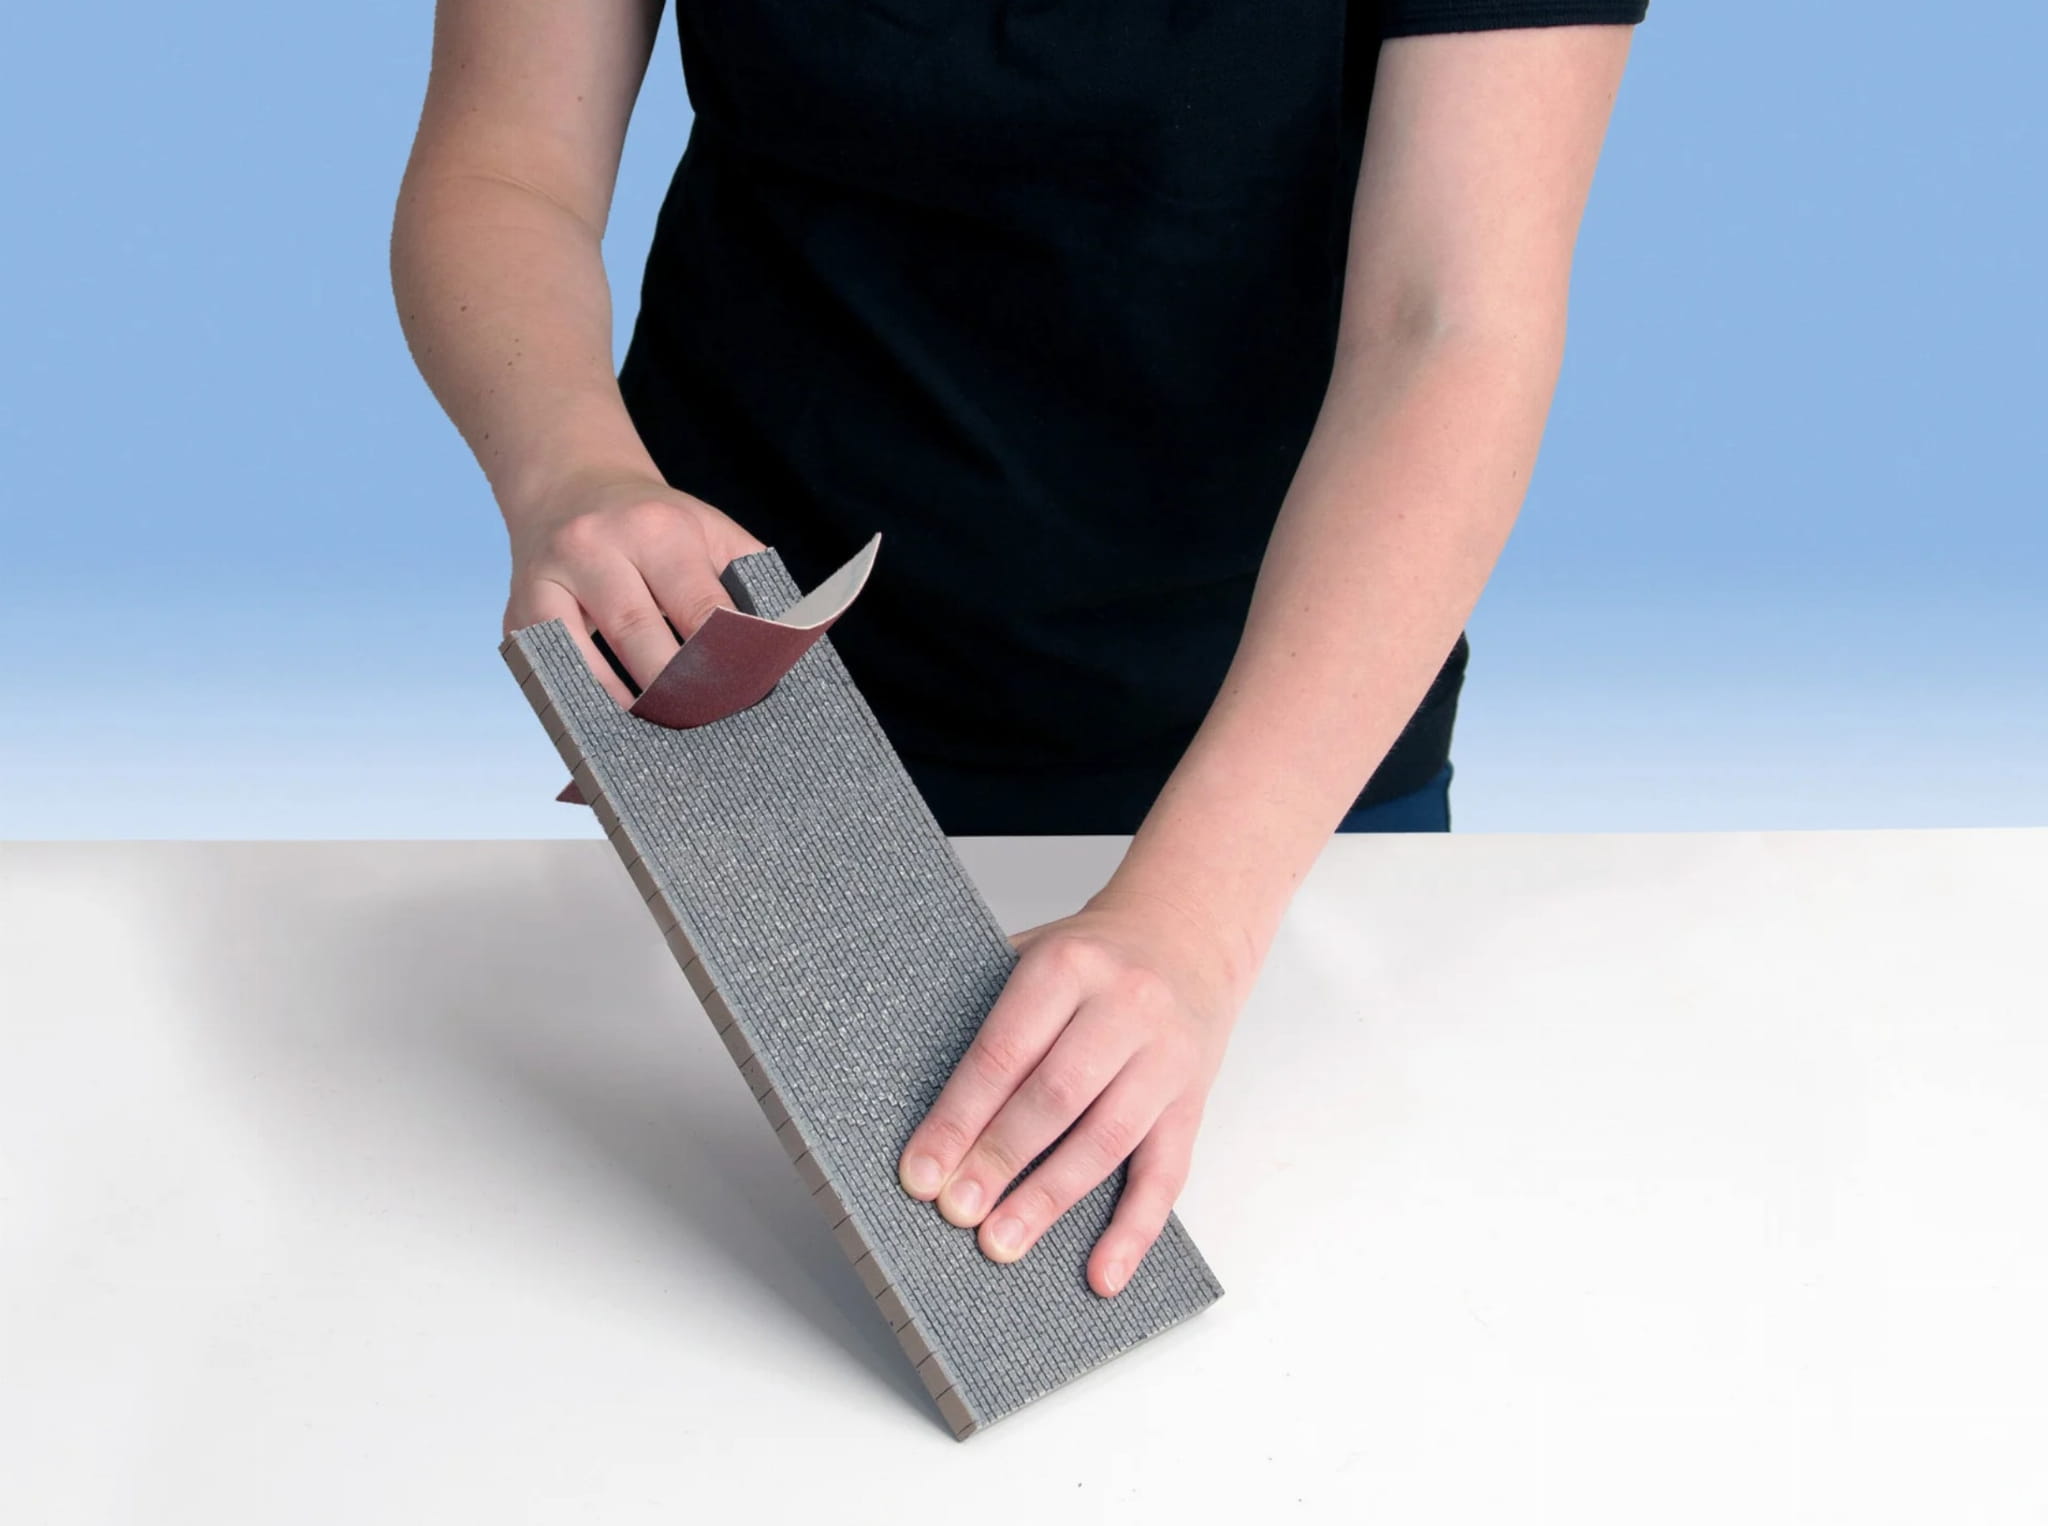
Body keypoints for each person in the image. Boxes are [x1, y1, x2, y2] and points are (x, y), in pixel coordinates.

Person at [392, 1, 1647, 1298]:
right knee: (635, 1311)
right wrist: (571, 467)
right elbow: (506, 166)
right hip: (748, 711)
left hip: (1280, 750)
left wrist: (1198, 921)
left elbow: (1451, 322)